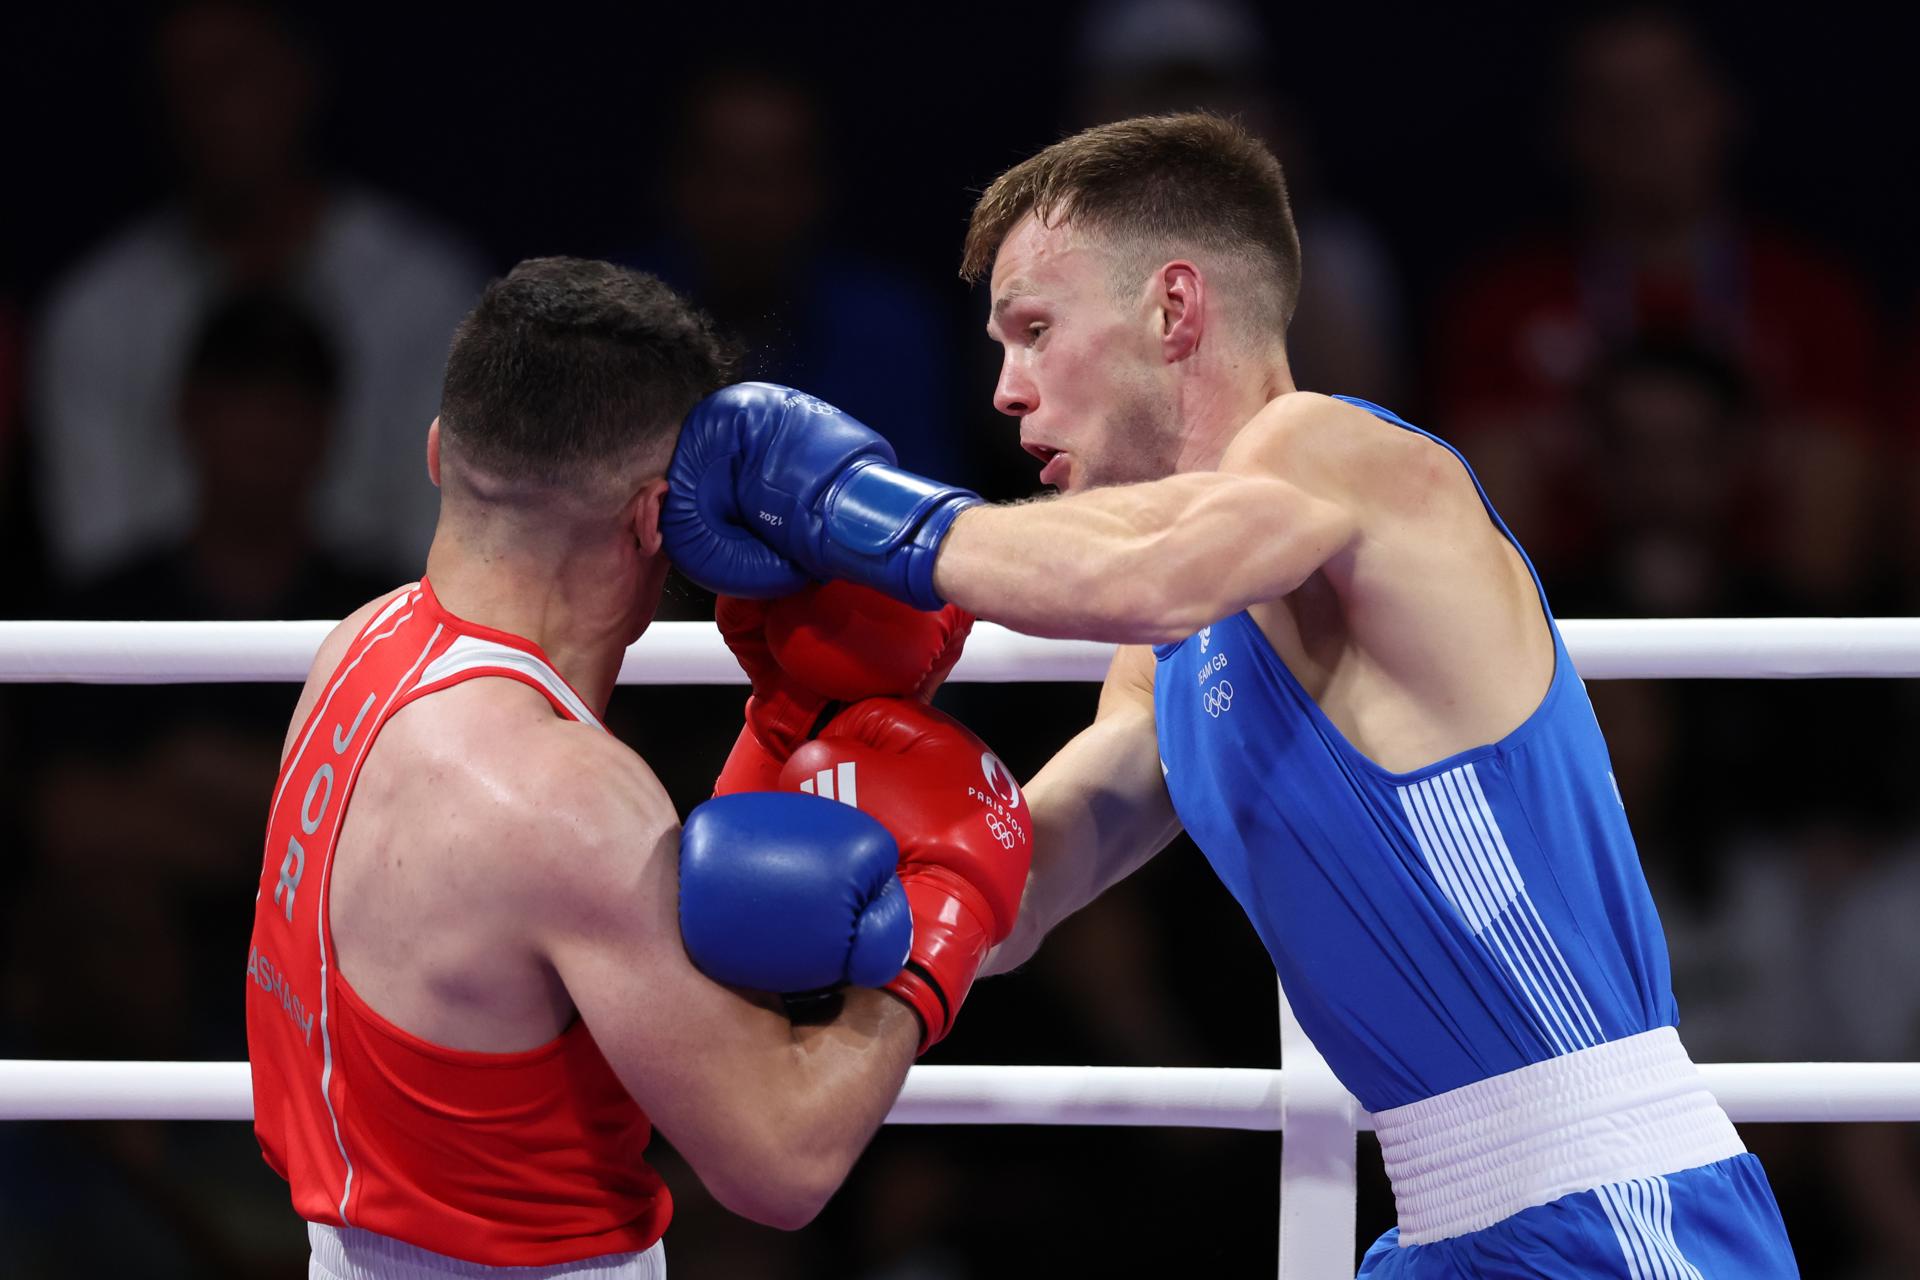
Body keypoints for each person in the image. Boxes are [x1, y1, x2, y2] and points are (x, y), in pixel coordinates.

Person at [660, 114, 1799, 1275]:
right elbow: (1025, 880)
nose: (1004, 390)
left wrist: (857, 512)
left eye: (1035, 330)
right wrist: (840, 826)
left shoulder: (1340, 457)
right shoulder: (1171, 651)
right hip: (1446, 1219)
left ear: (1174, 308)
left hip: (1610, 1199)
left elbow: (1137, 570)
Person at [244, 257, 1030, 1279]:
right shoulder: (563, 799)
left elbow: (623, 929)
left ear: (441, 453)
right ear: (663, 519)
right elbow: (784, 1161)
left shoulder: (361, 646)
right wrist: (946, 915)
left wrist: (788, 721)